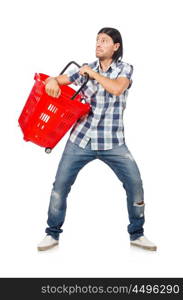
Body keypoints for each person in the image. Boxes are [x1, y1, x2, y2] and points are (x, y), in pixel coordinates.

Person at [37, 27, 157, 251]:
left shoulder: (125, 69)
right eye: (97, 40)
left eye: (104, 40)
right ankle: (52, 234)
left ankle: (137, 234)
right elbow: (60, 80)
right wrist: (52, 81)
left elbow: (117, 88)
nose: (98, 44)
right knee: (59, 187)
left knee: (135, 185)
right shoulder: (86, 68)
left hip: (113, 142)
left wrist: (93, 75)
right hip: (80, 140)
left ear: (116, 46)